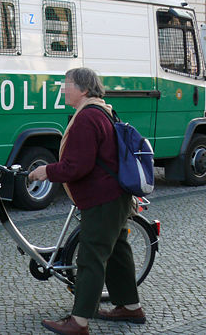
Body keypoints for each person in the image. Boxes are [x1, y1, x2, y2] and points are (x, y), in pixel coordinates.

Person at [29, 67, 144, 335]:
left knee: (91, 258)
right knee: (117, 252)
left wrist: (46, 171)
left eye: (66, 84)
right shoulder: (103, 110)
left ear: (82, 89)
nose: (63, 88)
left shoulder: (87, 118)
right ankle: (130, 307)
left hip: (102, 200)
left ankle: (78, 322)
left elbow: (76, 166)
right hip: (115, 196)